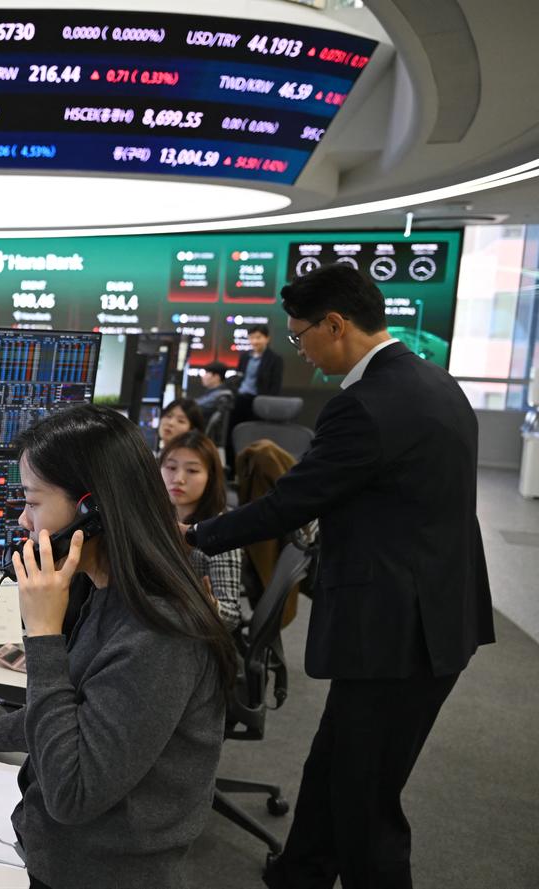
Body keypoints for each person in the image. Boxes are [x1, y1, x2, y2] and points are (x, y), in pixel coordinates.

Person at [183, 263, 494, 889]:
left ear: (335, 324)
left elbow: (287, 505)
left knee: (366, 802)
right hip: (436, 613)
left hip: (398, 633)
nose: (300, 348)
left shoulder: (365, 405)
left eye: (300, 335)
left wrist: (188, 536)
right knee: (335, 763)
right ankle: (300, 872)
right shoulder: (434, 382)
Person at [0, 404, 237, 889]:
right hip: (66, 857)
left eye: (32, 502)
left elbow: (72, 794)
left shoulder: (158, 635)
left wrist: (44, 635)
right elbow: (79, 712)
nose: (23, 521)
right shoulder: (111, 591)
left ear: (91, 512)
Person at [161, 431, 242, 631]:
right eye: (171, 467)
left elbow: (232, 617)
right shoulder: (157, 516)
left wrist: (209, 605)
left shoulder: (219, 529)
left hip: (192, 634)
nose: (178, 479)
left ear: (210, 477)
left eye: (192, 470)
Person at [228, 324, 285, 466]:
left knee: (255, 436)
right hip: (241, 399)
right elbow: (239, 378)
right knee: (233, 433)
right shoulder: (245, 357)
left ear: (267, 338)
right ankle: (232, 466)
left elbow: (275, 385)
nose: (255, 341)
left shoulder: (275, 359)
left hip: (259, 402)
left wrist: (268, 405)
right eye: (251, 337)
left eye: (258, 337)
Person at [193, 361, 235, 426]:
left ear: (216, 377)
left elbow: (193, 407)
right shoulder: (216, 392)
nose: (203, 377)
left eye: (206, 373)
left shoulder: (220, 395)